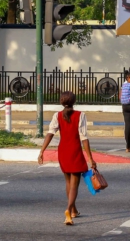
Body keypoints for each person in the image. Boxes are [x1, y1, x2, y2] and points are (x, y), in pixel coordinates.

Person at [38, 91, 96, 226]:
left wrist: (42, 151)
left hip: (63, 151)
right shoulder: (80, 115)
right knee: (74, 185)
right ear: (74, 101)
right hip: (75, 151)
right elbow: (84, 138)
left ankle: (74, 210)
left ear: (61, 102)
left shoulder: (57, 116)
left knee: (68, 183)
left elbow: (50, 134)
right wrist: (91, 159)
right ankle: (68, 211)